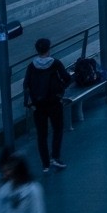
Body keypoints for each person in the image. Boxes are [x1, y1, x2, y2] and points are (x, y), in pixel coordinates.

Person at [22, 37, 70, 173]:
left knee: (41, 135)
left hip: (38, 105)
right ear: (49, 49)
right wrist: (60, 91)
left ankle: (45, 164)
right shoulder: (55, 63)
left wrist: (30, 103)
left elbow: (26, 85)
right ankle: (55, 156)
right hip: (54, 102)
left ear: (37, 50)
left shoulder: (31, 66)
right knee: (57, 129)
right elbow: (67, 78)